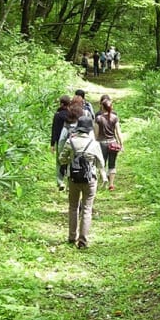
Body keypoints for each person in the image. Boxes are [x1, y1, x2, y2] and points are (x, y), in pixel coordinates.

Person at [59, 116, 106, 249]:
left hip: (73, 179)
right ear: (89, 129)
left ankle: (71, 237)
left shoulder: (70, 142)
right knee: (86, 209)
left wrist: (72, 160)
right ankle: (83, 241)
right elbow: (101, 163)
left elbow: (61, 159)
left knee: (73, 208)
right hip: (90, 179)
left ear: (78, 128)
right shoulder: (94, 144)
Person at [95, 97, 123, 191]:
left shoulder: (99, 118)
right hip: (113, 143)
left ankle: (103, 179)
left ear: (102, 107)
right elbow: (118, 132)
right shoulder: (115, 118)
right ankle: (111, 184)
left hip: (101, 143)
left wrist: (94, 143)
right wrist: (121, 144)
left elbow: (96, 134)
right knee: (112, 164)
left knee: (101, 163)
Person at [50, 95, 71, 191]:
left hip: (59, 141)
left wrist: (52, 144)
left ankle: (60, 181)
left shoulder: (57, 115)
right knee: (70, 161)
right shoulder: (71, 114)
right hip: (71, 141)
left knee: (59, 161)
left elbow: (54, 129)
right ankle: (70, 182)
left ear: (61, 103)